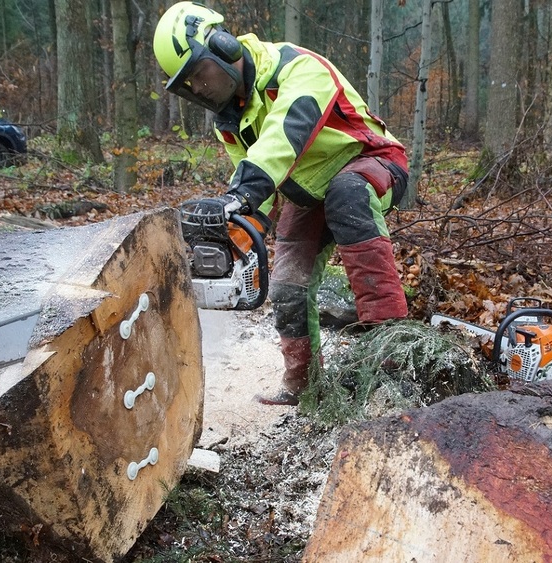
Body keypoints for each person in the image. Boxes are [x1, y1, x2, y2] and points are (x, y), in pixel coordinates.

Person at [154, 2, 409, 405]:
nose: (199, 89)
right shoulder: (231, 123)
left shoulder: (297, 69)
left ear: (223, 47)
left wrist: (242, 192)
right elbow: (261, 191)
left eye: (198, 74)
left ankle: (392, 358)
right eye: (189, 85)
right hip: (308, 193)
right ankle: (303, 384)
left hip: (371, 163)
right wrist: (239, 222)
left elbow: (287, 131)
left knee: (347, 194)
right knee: (288, 279)